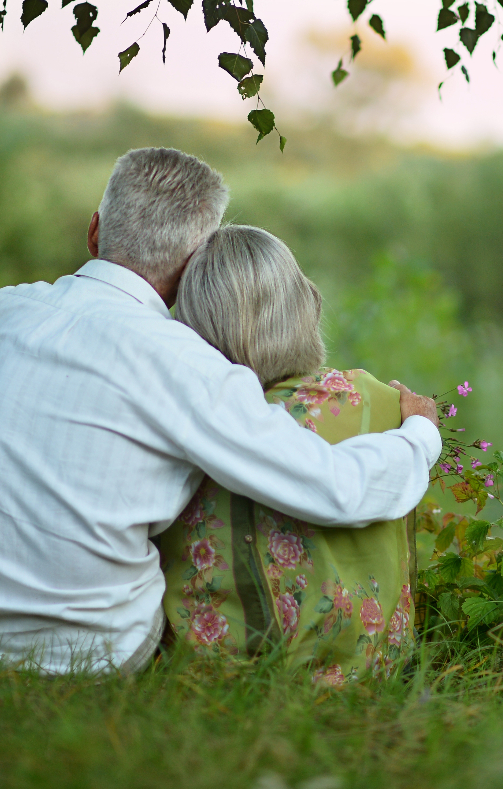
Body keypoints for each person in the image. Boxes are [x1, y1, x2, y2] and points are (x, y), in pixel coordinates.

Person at [0, 148, 441, 674]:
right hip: (81, 654)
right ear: (196, 264)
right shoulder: (189, 367)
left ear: (94, 230)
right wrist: (418, 430)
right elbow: (333, 488)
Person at [161, 226, 420, 683]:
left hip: (208, 679)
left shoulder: (175, 417)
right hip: (374, 674)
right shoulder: (376, 402)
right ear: (305, 305)